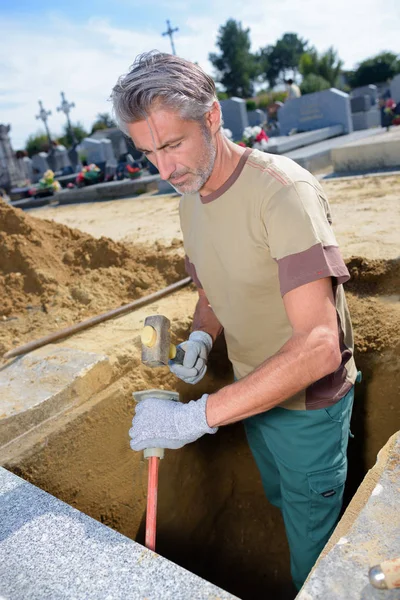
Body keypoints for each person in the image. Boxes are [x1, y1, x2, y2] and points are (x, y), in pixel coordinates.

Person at [111, 52, 358, 591]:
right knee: (280, 494)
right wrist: (202, 334)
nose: (164, 169)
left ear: (213, 117)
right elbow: (214, 285)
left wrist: (191, 419)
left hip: (307, 406)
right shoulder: (190, 196)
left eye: (172, 144)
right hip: (253, 392)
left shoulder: (281, 193)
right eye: (148, 152)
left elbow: (319, 345)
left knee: (314, 552)